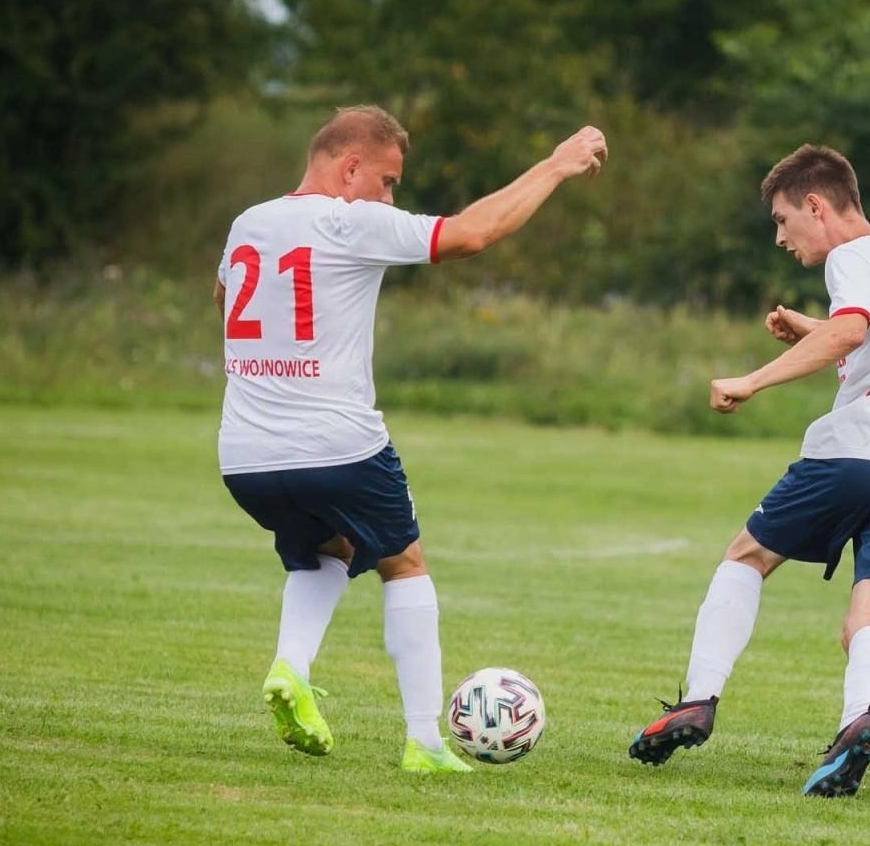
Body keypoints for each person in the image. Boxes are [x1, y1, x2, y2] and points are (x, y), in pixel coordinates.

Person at [214, 105, 607, 773]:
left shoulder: (249, 223)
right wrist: (556, 165)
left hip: (245, 456)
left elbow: (224, 300)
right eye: (388, 181)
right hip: (338, 446)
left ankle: (291, 666)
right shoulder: (350, 217)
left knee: (326, 549)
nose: (391, 197)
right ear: (350, 168)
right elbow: (473, 234)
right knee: (405, 562)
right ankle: (424, 742)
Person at [628, 144, 870, 797]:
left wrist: (753, 380)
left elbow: (849, 334)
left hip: (860, 451)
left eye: (784, 220)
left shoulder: (849, 256)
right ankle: (859, 722)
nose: (781, 238)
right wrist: (809, 327)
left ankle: (698, 699)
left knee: (747, 555)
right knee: (867, 620)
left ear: (817, 205)